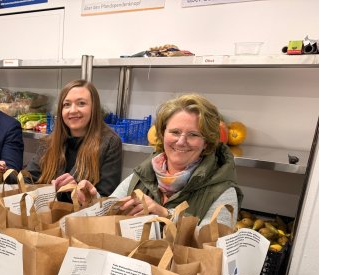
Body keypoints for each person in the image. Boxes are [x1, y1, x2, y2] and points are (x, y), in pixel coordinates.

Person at [75, 94, 242, 227]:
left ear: (206, 142)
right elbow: (112, 210)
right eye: (175, 132)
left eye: (193, 134)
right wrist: (93, 200)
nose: (181, 141)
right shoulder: (144, 174)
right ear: (162, 134)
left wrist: (165, 215)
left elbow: (214, 245)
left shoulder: (223, 190)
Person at [24, 80, 122, 201]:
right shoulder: (51, 141)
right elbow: (29, 178)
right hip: (48, 212)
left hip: (83, 213)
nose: (73, 110)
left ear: (94, 108)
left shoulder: (110, 143)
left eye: (81, 103)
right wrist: (6, 173)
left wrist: (79, 193)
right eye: (67, 104)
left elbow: (107, 199)